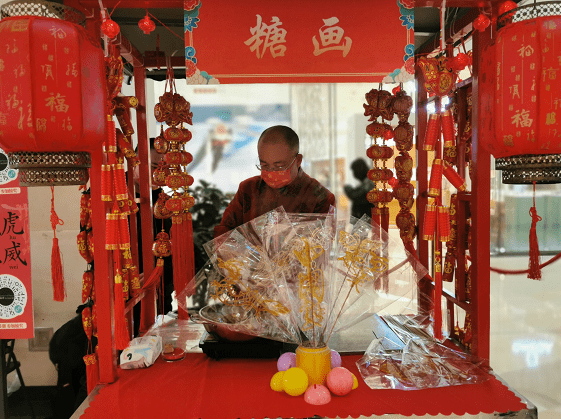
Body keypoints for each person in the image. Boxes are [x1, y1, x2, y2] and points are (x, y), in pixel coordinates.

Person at [214, 125, 336, 237]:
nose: (271, 173)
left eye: (279, 167)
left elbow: (322, 245)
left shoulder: (321, 197)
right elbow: (225, 230)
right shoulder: (248, 188)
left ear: (298, 160)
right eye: (265, 166)